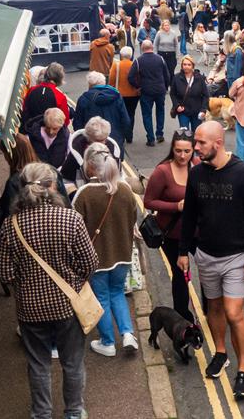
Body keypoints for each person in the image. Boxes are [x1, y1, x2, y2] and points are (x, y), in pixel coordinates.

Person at [0, 162, 98, 419]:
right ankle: (74, 412)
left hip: (30, 310)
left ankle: (41, 414)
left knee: (38, 365)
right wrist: (74, 281)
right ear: (52, 187)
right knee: (72, 363)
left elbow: (4, 273)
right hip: (68, 306)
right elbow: (90, 262)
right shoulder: (70, 218)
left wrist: (25, 283)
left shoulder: (11, 225)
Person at [177, 122, 244, 399]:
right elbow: (189, 214)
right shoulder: (197, 174)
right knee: (212, 307)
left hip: (237, 257)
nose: (196, 149)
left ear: (218, 142)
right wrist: (183, 251)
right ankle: (221, 353)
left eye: (201, 143)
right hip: (206, 255)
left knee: (234, 312)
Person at [73, 144, 139, 357]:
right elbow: (133, 219)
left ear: (90, 167)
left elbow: (74, 228)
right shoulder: (126, 190)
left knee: (101, 297)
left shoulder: (84, 194)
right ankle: (128, 334)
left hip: (96, 258)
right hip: (123, 254)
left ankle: (108, 342)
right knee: (117, 292)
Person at [143, 129, 197, 322]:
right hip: (172, 234)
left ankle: (209, 308)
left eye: (187, 151)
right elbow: (148, 202)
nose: (183, 156)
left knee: (209, 270)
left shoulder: (198, 166)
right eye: (178, 151)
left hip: (196, 233)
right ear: (172, 149)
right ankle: (182, 315)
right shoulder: (162, 171)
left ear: (194, 150)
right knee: (180, 274)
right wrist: (176, 206)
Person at [128, 40, 171, 147]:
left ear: (142, 48)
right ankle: (159, 134)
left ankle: (150, 138)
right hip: (160, 90)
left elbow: (130, 77)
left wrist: (138, 86)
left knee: (147, 114)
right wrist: (165, 87)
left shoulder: (138, 61)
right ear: (152, 47)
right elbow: (167, 75)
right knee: (160, 111)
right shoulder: (160, 59)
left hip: (146, 91)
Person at [73, 72, 131, 150]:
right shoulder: (117, 97)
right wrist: (121, 137)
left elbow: (78, 124)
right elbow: (126, 121)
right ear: (104, 83)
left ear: (90, 85)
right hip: (114, 141)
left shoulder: (83, 99)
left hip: (91, 142)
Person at [61, 117, 123, 184]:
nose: (103, 143)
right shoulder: (76, 152)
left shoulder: (112, 149)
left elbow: (118, 177)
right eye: (98, 141)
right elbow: (66, 178)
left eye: (105, 139)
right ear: (88, 138)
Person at [22, 63, 70, 132]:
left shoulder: (32, 90)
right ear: (60, 78)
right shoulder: (60, 96)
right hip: (50, 133)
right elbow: (65, 121)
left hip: (31, 131)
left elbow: (24, 109)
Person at [109, 46, 140, 144]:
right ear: (130, 55)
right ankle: (129, 136)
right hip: (133, 94)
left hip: (120, 94)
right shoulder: (134, 65)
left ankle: (121, 135)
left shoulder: (116, 65)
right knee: (131, 114)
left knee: (120, 115)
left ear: (121, 55)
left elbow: (111, 80)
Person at [170, 55, 209, 133]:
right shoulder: (177, 78)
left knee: (196, 134)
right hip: (183, 111)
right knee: (185, 134)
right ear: (181, 66)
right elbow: (173, 94)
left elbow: (205, 95)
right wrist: (177, 106)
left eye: (189, 65)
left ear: (193, 66)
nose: (186, 67)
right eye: (184, 64)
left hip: (197, 111)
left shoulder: (200, 78)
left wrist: (203, 110)